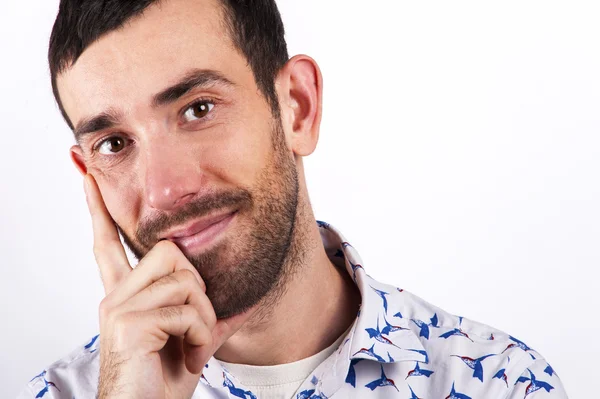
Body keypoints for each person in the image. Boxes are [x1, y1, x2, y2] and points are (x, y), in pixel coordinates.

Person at [18, 0, 568, 398]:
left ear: (297, 108)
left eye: (198, 109)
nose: (164, 189)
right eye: (114, 144)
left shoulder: (498, 381)